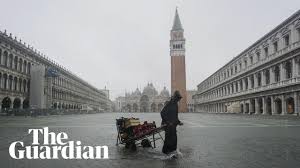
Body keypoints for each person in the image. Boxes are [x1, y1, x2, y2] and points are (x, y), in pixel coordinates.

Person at [160, 90, 183, 154]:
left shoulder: (176, 105)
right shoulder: (169, 103)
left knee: (174, 139)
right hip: (167, 125)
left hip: (173, 125)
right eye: (178, 98)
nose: (178, 100)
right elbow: (162, 113)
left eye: (179, 99)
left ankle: (173, 151)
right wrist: (168, 122)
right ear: (175, 98)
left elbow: (175, 116)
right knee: (168, 139)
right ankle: (165, 152)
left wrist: (179, 122)